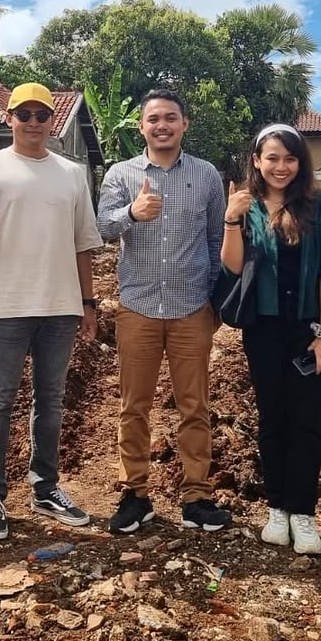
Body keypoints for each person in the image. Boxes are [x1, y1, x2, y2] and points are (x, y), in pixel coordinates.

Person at [0, 83, 102, 541]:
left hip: (59, 306)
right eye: (24, 114)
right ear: (9, 118)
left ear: (52, 121)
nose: (33, 122)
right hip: (7, 306)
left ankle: (45, 488)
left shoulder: (72, 174)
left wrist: (88, 302)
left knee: (50, 401)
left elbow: (83, 245)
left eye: (41, 115)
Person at [97, 90, 232, 534]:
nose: (162, 126)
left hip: (192, 307)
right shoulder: (122, 174)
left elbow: (216, 241)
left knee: (195, 405)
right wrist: (132, 214)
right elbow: (101, 227)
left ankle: (196, 495)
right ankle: (135, 493)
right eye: (153, 119)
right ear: (141, 127)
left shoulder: (206, 175)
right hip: (137, 306)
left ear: (184, 124)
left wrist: (214, 300)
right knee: (134, 406)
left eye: (170, 118)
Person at [220, 124, 321, 555]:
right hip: (264, 329)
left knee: (306, 420)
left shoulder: (318, 204)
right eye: (272, 158)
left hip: (307, 327)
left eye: (290, 159)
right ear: (257, 160)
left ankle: (304, 513)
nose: (281, 166)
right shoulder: (246, 205)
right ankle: (277, 510)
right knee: (272, 418)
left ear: (300, 163)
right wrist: (232, 219)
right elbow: (233, 268)